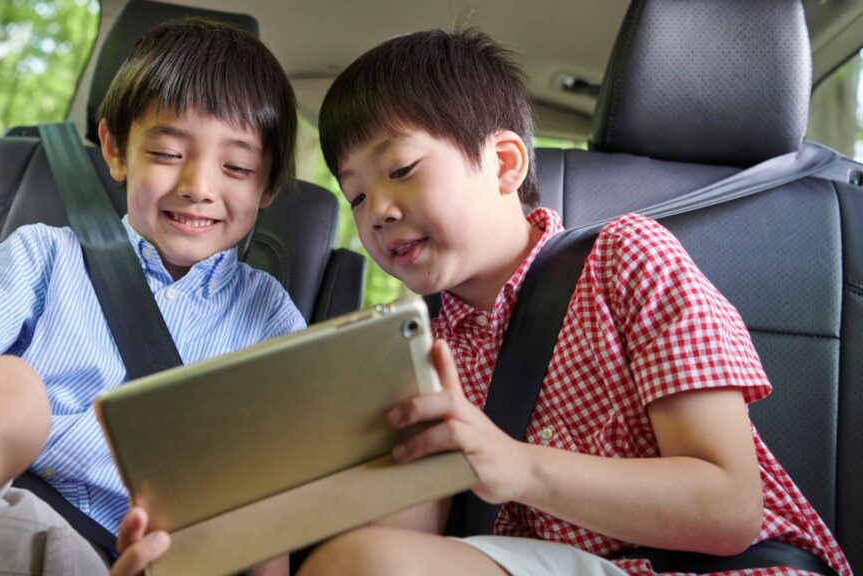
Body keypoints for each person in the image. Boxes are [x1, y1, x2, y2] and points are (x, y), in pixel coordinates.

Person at [297, 28, 851, 576]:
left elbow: (729, 509)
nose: (378, 212)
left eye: (401, 171)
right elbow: (401, 545)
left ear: (505, 164)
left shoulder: (627, 258)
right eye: (358, 195)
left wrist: (517, 466)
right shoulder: (425, 352)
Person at [0, 18, 301, 576]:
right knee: (7, 387)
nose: (199, 186)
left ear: (267, 184)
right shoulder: (44, 256)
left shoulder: (272, 320)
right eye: (166, 153)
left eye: (237, 167)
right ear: (115, 150)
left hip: (117, 558)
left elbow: (270, 511)